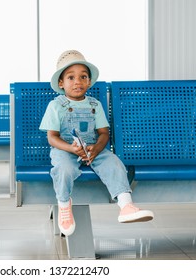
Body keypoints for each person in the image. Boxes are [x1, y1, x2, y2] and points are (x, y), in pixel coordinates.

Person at [39, 50, 154, 236]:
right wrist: (71, 148)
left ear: (89, 82)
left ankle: (126, 206)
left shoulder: (95, 105)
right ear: (61, 83)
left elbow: (103, 133)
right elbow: (52, 137)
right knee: (64, 169)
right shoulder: (55, 106)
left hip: (93, 147)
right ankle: (64, 205)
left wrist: (96, 149)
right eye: (71, 77)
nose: (78, 81)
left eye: (83, 77)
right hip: (65, 148)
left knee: (114, 163)